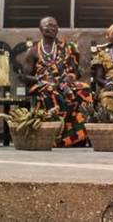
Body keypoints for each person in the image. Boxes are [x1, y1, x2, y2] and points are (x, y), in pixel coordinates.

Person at [19, 16, 93, 147]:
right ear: (41, 29)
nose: (52, 28)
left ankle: (78, 136)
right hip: (43, 84)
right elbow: (24, 76)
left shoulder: (67, 48)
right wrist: (42, 80)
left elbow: (77, 72)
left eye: (54, 26)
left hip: (64, 82)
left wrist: (71, 77)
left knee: (84, 90)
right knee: (52, 92)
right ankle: (55, 136)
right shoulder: (33, 51)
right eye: (48, 26)